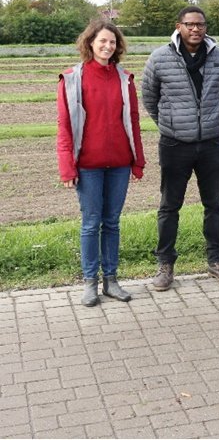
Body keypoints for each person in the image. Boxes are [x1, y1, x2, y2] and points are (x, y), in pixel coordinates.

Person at [142, 6, 219, 290]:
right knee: (169, 206)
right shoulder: (160, 58)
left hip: (211, 143)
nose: (195, 29)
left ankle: (216, 260)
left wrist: (207, 121)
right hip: (174, 145)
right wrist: (171, 124)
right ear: (178, 26)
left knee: (215, 205)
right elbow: (149, 97)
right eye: (190, 24)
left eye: (200, 25)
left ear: (206, 27)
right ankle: (165, 265)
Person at [57, 19, 145, 307]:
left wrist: (137, 161)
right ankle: (89, 283)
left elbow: (133, 120)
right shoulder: (72, 79)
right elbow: (65, 126)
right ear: (90, 43)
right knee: (90, 223)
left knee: (112, 223)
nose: (108, 46)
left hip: (119, 163)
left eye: (112, 42)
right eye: (102, 41)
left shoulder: (124, 79)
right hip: (88, 165)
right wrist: (67, 166)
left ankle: (112, 281)